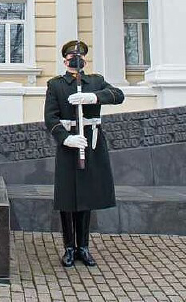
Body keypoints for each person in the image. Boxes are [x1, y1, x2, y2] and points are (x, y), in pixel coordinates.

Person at [44, 40, 124, 267]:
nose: (76, 60)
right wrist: (65, 138)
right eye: (72, 57)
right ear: (65, 60)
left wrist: (95, 97)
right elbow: (50, 117)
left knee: (86, 196)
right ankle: (69, 248)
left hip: (91, 144)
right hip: (70, 145)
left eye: (79, 56)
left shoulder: (95, 81)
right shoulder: (56, 85)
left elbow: (118, 95)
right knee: (68, 198)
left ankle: (84, 247)